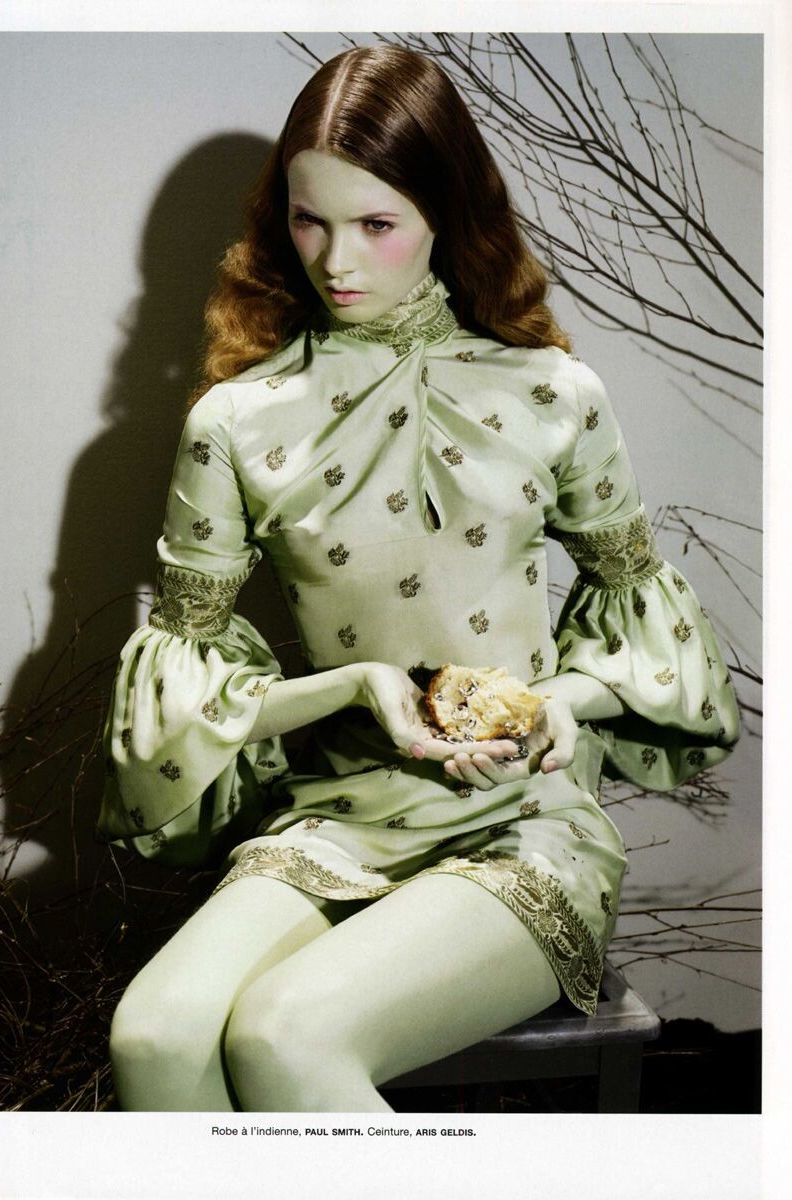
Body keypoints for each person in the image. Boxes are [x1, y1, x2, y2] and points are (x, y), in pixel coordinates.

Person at [99, 45, 739, 1113]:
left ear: (445, 214)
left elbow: (644, 633)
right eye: (310, 221)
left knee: (284, 1034)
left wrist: (562, 705)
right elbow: (185, 693)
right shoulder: (235, 421)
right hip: (335, 814)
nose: (336, 259)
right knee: (155, 1038)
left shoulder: (553, 392)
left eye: (376, 223)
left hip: (518, 820)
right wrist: (355, 688)